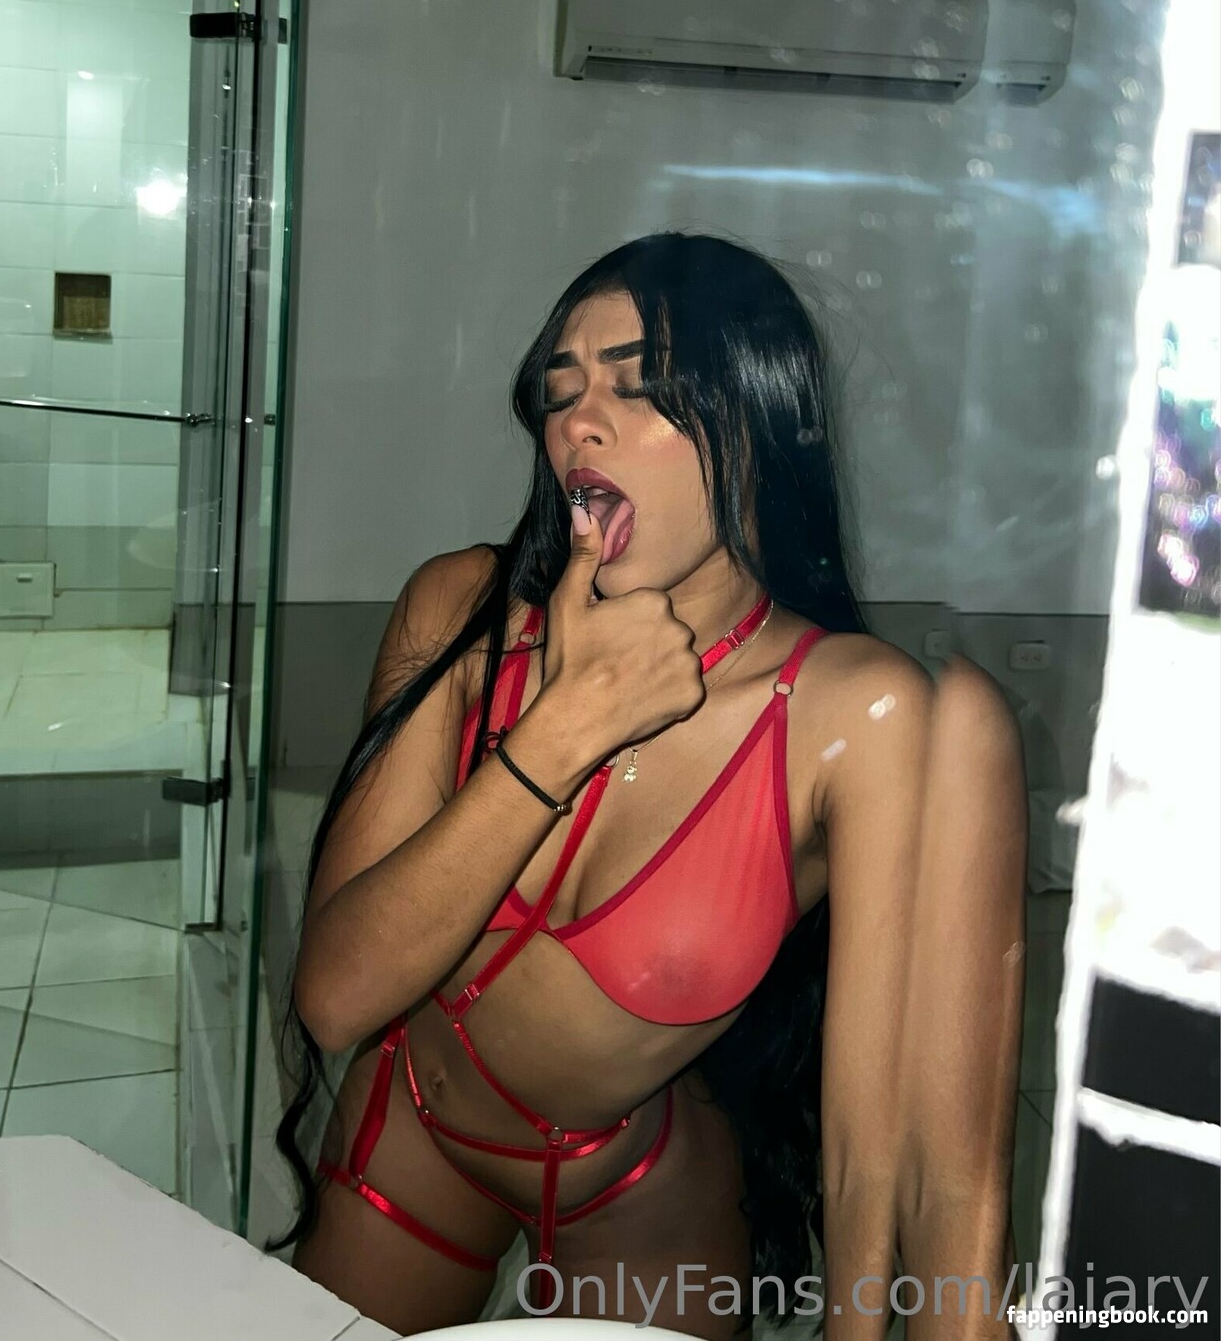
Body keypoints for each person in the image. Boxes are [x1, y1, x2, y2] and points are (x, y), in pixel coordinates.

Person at [278, 232, 1025, 1338]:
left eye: (639, 388)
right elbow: (336, 997)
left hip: (638, 1190)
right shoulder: (463, 613)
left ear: (757, 421)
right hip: (412, 1132)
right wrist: (561, 732)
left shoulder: (854, 715)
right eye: (561, 391)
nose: (579, 423)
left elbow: (901, 1160)